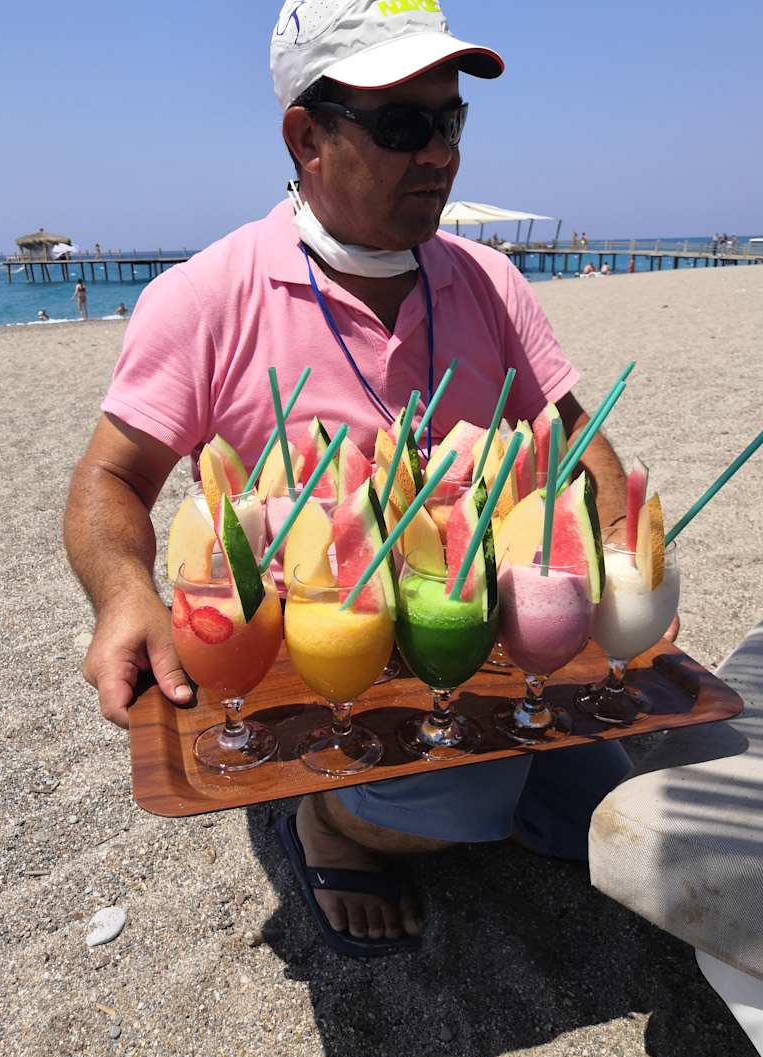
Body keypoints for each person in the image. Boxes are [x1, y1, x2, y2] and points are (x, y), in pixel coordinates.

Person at [65, 0, 678, 958]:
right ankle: (329, 822)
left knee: (610, 813)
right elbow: (109, 477)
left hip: (477, 628)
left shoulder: (488, 281)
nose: (440, 154)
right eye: (401, 125)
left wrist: (614, 564)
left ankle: (454, 800)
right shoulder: (203, 299)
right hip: (307, 657)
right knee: (466, 802)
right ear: (307, 139)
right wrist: (123, 595)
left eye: (450, 120)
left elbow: (574, 437)